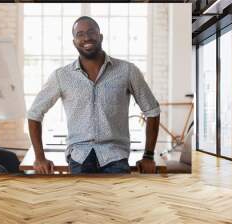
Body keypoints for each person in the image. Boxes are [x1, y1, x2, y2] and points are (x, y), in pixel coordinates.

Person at [27, 16, 160, 174]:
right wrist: (39, 157)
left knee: (117, 199)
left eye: (91, 32)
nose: (86, 37)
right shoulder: (61, 76)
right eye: (80, 34)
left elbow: (152, 110)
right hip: (79, 156)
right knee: (82, 199)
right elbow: (34, 114)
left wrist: (148, 156)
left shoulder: (127, 71)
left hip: (115, 156)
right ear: (74, 41)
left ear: (100, 36)